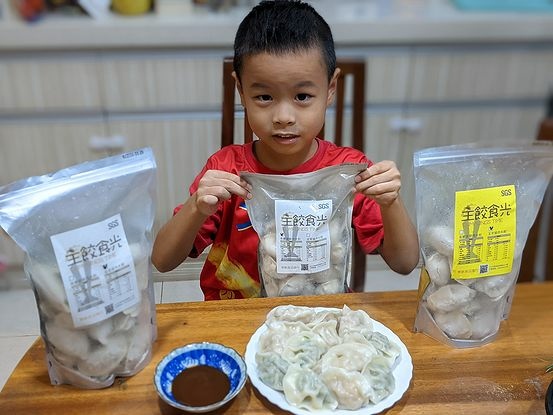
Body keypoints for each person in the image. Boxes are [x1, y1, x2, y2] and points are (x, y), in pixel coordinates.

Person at [152, 0, 420, 300]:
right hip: (236, 317)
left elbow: (405, 262)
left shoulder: (348, 171)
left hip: (319, 318)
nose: (283, 116)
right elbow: (163, 261)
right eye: (264, 96)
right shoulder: (228, 168)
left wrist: (390, 202)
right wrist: (196, 207)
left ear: (331, 89)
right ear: (241, 90)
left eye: (302, 96)